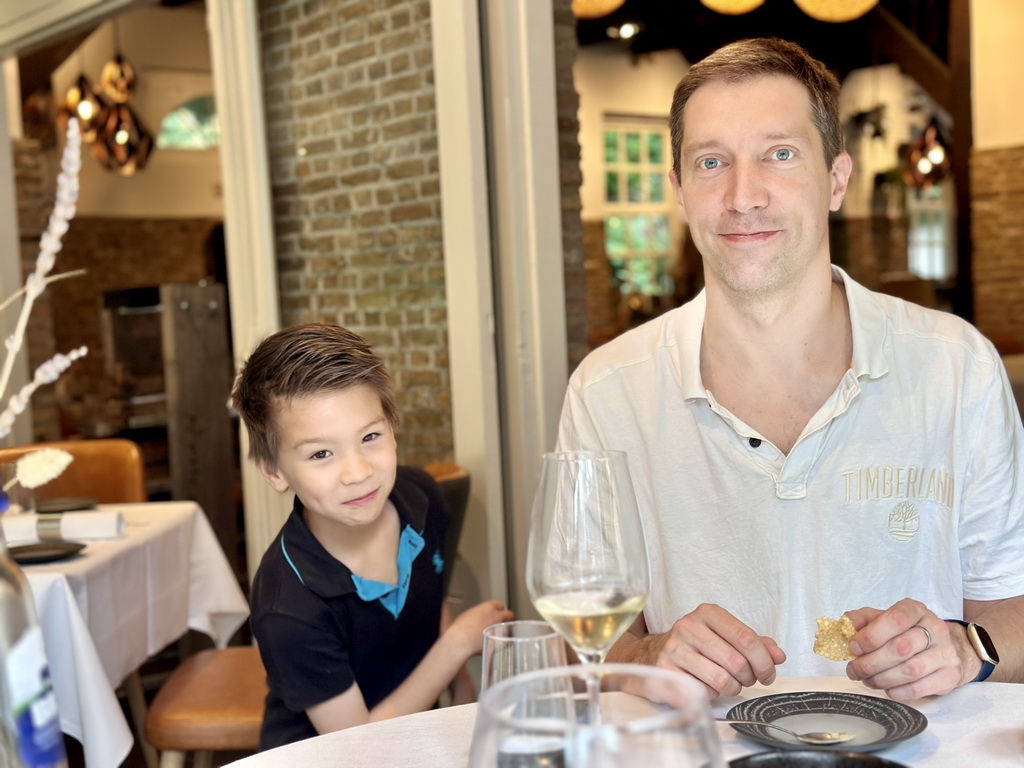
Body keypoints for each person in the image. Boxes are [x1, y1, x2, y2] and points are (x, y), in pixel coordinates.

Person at [556, 38, 1024, 703]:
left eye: (780, 154)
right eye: (711, 162)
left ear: (836, 179)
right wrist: (649, 654)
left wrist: (964, 646)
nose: (743, 196)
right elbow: (583, 646)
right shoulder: (608, 390)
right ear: (681, 192)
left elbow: (1015, 609)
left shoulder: (957, 367)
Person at [233, 323, 512, 748]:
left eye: (370, 437)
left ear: (393, 429)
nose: (358, 473)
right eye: (321, 453)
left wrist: (463, 690)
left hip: (418, 737)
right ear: (274, 471)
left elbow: (426, 597)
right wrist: (456, 647)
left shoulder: (421, 497)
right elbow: (360, 747)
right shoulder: (287, 606)